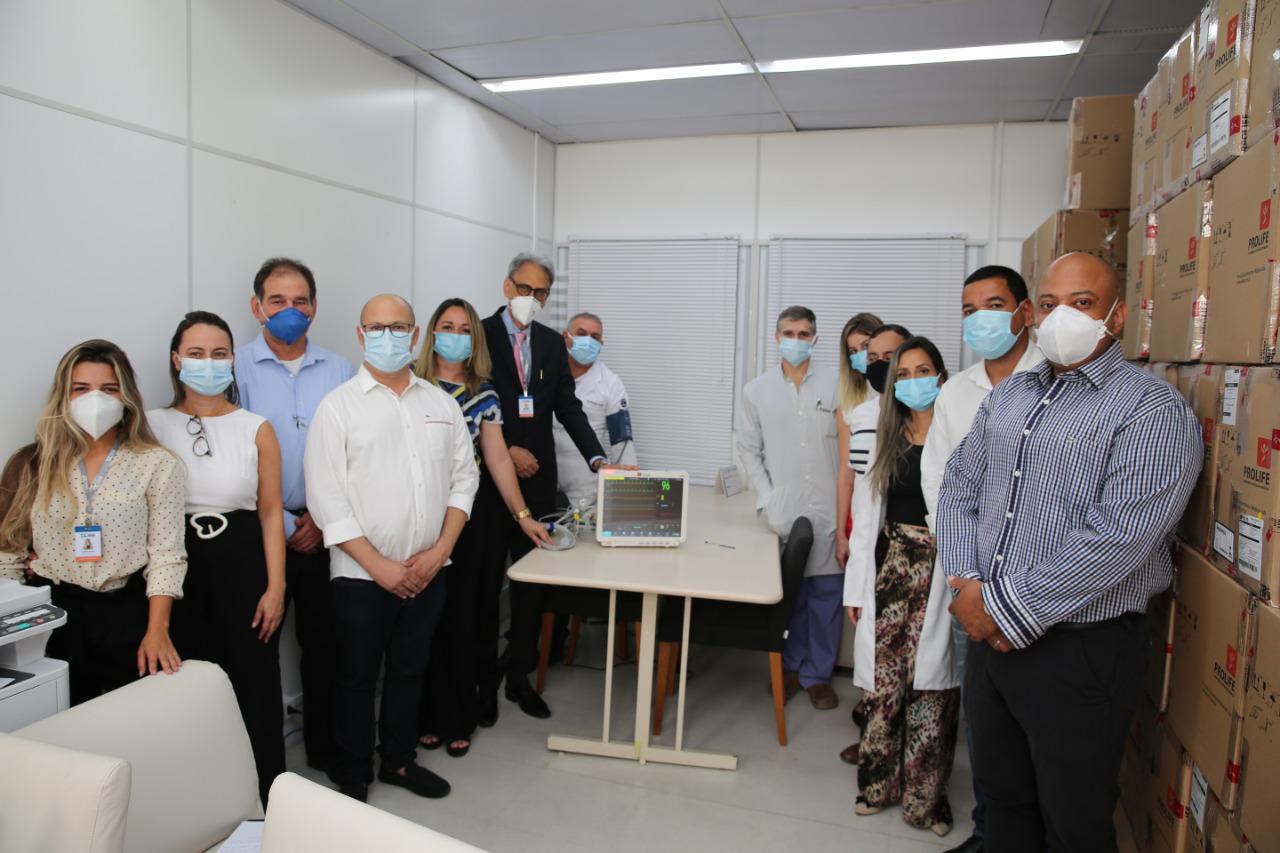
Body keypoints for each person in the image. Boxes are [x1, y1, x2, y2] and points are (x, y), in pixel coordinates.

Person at [938, 253, 1202, 852]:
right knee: (1003, 801)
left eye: (1083, 303)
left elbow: (1120, 538)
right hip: (988, 635)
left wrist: (1001, 609)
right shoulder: (1012, 395)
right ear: (1032, 314)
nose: (1064, 317)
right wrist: (967, 583)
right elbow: (959, 486)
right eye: (1051, 304)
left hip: (1080, 649)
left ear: (1117, 316)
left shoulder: (1151, 410)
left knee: (1072, 819)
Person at [304, 294, 478, 803]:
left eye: (398, 327)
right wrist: (378, 566)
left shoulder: (441, 404)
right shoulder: (337, 407)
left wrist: (439, 551)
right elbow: (326, 498)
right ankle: (353, 770)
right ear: (360, 335)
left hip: (429, 569)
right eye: (377, 328)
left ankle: (399, 760)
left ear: (415, 334)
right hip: (362, 575)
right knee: (357, 676)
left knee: (409, 670)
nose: (388, 336)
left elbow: (464, 481)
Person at [920, 265, 1042, 853]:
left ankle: (1033, 837)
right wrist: (962, 576)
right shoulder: (956, 392)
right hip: (971, 587)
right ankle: (991, 832)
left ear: (1025, 311)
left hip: (1041, 590)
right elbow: (939, 484)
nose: (980, 319)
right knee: (985, 724)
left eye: (993, 305)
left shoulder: (1057, 380)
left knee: (1041, 729)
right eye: (969, 310)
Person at [148, 311, 287, 805]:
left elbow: (271, 511)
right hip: (175, 569)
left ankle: (268, 802)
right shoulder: (150, 425)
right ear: (176, 359)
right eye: (196, 354)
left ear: (233, 360)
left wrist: (276, 587)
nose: (208, 363)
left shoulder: (256, 428)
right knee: (185, 691)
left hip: (243, 566)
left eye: (219, 354)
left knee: (254, 687)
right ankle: (198, 806)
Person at [0, 340, 185, 705]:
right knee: (59, 721)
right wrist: (13, 636)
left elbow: (167, 556)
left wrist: (157, 631)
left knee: (130, 718)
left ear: (126, 396)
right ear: (63, 396)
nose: (95, 400)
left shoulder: (157, 464)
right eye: (81, 389)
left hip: (126, 613)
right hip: (53, 613)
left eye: (109, 389)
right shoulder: (33, 462)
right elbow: (8, 554)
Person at [413, 298, 551, 758]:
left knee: (467, 617)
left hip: (472, 519)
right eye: (447, 326)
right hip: (418, 519)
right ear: (432, 332)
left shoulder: (484, 394)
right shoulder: (410, 386)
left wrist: (523, 516)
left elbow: (497, 460)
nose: (455, 336)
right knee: (424, 620)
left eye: (464, 329)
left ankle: (461, 713)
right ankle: (424, 715)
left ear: (475, 340)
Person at [235, 257, 354, 774]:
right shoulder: (234, 367)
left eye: (300, 300)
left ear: (314, 307)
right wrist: (285, 524)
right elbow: (232, 455)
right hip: (261, 529)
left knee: (326, 646)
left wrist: (322, 519)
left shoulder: (340, 369)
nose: (290, 310)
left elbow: (354, 453)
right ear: (256, 306)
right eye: (278, 300)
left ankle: (325, 749)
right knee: (255, 645)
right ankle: (258, 763)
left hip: (326, 528)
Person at [481, 252, 609, 720]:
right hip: (486, 484)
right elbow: (465, 406)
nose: (531, 298)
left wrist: (597, 458)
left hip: (538, 485)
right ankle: (481, 684)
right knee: (483, 587)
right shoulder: (478, 335)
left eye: (540, 292)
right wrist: (507, 450)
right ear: (506, 286)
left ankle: (519, 676)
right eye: (524, 289)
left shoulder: (553, 343)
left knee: (531, 589)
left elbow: (568, 408)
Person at [844, 336, 958, 838]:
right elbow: (865, 520)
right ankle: (877, 787)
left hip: (943, 569)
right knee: (884, 683)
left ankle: (925, 802)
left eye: (923, 371)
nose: (914, 382)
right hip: (890, 568)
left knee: (931, 688)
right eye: (904, 374)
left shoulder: (961, 434)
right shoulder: (883, 436)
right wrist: (855, 590)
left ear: (941, 376)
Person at [737, 306, 842, 710]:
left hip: (831, 508)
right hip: (785, 509)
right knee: (792, 594)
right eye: (788, 333)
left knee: (827, 597)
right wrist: (768, 498)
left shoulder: (838, 385)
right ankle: (791, 667)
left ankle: (819, 675)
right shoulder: (757, 391)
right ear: (776, 337)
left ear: (815, 338)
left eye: (803, 334)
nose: (795, 340)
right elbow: (749, 450)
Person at [838, 322, 910, 765]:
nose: (880, 365)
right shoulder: (862, 416)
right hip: (876, 554)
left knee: (918, 666)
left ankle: (911, 756)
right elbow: (863, 504)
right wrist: (855, 582)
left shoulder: (937, 414)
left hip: (923, 554)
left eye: (890, 357)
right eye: (873, 358)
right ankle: (877, 746)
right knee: (873, 653)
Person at [552, 311, 638, 508]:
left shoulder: (610, 383)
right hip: (543, 474)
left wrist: (628, 493)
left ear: (600, 345)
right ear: (565, 336)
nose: (588, 341)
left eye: (595, 337)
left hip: (583, 483)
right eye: (582, 333)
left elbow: (622, 441)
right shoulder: (546, 373)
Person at [835, 312, 883, 571]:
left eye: (866, 346)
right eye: (853, 351)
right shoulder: (849, 403)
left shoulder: (906, 394)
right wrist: (841, 534)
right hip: (861, 512)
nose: (860, 355)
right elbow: (846, 474)